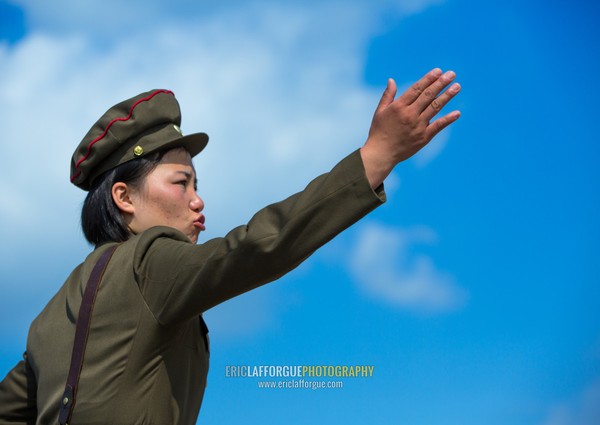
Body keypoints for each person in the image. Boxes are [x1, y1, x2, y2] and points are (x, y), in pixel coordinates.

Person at [0, 68, 461, 424]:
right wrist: (376, 157)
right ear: (124, 197)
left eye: (197, 184)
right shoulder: (150, 259)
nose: (198, 200)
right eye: (181, 183)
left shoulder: (50, 317)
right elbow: (255, 248)